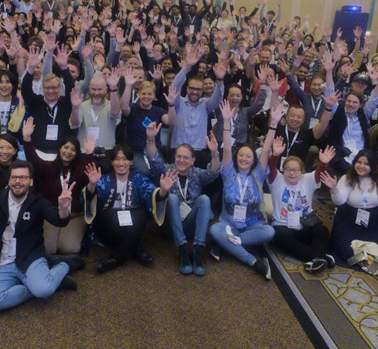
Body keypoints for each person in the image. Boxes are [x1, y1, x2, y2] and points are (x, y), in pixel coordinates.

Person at [0, 159, 83, 311]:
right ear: (9, 180)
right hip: (2, 261)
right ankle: (47, 282)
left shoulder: (37, 201)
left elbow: (58, 220)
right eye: (14, 177)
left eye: (23, 177)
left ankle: (65, 265)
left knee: (44, 290)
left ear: (31, 181)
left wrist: (63, 208)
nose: (18, 181)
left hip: (29, 257)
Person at [208, 101, 280, 280]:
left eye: (248, 156)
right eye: (241, 155)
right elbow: (225, 148)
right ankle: (253, 262)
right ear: (236, 157)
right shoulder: (229, 171)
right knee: (215, 230)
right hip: (228, 223)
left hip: (252, 224)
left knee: (269, 232)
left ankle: (229, 243)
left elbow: (265, 150)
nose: (244, 158)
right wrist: (226, 121)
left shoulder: (259, 174)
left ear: (253, 159)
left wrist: (274, 125)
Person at [83, 145, 175, 274]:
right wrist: (92, 185)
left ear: (131, 162)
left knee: (140, 215)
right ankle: (136, 248)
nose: (121, 163)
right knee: (108, 214)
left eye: (125, 159)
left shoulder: (140, 179)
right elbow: (87, 202)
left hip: (132, 224)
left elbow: (151, 196)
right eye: (117, 159)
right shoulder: (103, 179)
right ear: (111, 162)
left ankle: (116, 258)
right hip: (108, 227)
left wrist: (163, 191)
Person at [145, 122, 220, 275]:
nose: (181, 160)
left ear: (193, 160)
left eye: (186, 157)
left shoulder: (196, 173)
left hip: (190, 227)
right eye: (178, 156)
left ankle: (198, 249)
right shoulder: (168, 170)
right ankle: (183, 250)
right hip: (169, 227)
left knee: (205, 199)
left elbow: (213, 173)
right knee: (171, 198)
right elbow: (154, 161)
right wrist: (151, 140)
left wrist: (214, 153)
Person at [21, 117, 94, 255]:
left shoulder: (78, 170)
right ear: (59, 149)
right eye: (66, 147)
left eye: (73, 149)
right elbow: (33, 161)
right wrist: (27, 139)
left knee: (69, 249)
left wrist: (89, 153)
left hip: (74, 214)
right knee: (48, 249)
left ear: (77, 153)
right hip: (51, 213)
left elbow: (85, 177)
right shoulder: (48, 167)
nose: (68, 151)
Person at [268, 139, 335, 274]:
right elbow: (270, 168)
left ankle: (317, 258)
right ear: (283, 170)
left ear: (302, 171)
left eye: (295, 170)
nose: (292, 173)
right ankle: (318, 257)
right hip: (283, 226)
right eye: (288, 169)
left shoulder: (307, 179)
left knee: (322, 230)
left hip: (304, 226)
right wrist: (275, 155)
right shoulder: (277, 180)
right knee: (279, 235)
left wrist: (323, 163)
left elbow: (318, 174)